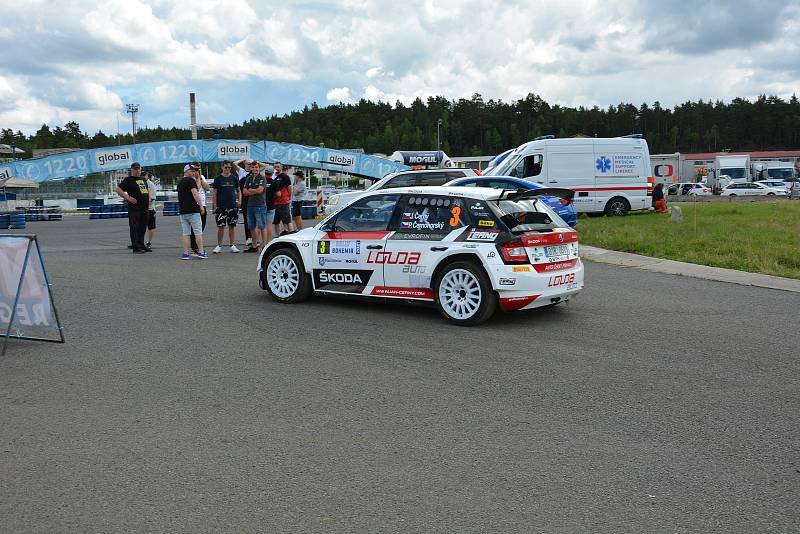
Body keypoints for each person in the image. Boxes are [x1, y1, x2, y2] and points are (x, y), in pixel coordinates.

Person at [115, 162, 150, 254]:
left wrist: (149, 199)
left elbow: (146, 191)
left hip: (144, 208)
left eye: (138, 168)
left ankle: (141, 244)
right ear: (132, 170)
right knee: (135, 227)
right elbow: (118, 189)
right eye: (135, 169)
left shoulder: (143, 179)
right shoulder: (128, 180)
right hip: (135, 208)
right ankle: (135, 247)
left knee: (142, 227)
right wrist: (128, 198)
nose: (137, 170)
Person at [177, 164, 207, 259]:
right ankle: (201, 251)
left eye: (194, 171)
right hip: (193, 210)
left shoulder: (180, 182)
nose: (193, 172)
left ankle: (186, 253)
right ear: (187, 171)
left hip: (183, 210)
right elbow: (195, 193)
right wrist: (201, 205)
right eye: (192, 170)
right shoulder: (191, 181)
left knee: (186, 233)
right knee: (198, 232)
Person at [211, 160, 241, 253]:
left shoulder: (234, 178)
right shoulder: (218, 179)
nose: (227, 169)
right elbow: (214, 193)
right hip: (221, 206)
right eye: (225, 167)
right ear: (222, 167)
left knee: (232, 226)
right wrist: (215, 206)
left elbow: (239, 190)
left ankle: (232, 245)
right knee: (221, 226)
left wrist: (239, 201)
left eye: (229, 167)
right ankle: (219, 245)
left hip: (232, 206)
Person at [241, 160, 268, 252]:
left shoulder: (262, 178)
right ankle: (254, 245)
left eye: (256, 167)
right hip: (250, 205)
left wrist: (250, 190)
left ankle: (265, 245)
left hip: (260, 205)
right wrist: (254, 190)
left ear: (259, 168)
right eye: (253, 167)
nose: (255, 169)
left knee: (262, 225)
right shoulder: (248, 178)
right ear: (251, 168)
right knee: (252, 226)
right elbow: (244, 192)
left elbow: (260, 190)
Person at [189, 162, 210, 254]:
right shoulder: (190, 179)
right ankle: (195, 246)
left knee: (202, 226)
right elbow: (197, 188)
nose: (196, 171)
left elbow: (207, 188)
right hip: (195, 204)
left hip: (203, 204)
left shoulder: (201, 177)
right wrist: (197, 178)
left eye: (198, 169)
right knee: (195, 227)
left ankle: (196, 244)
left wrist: (200, 177)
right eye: (195, 169)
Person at [272, 163, 293, 235]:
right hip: (275, 202)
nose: (276, 168)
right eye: (275, 167)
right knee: (276, 221)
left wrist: (289, 197)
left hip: (284, 202)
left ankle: (292, 235)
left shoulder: (285, 176)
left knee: (287, 221)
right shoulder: (274, 177)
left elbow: (289, 187)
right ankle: (277, 236)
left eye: (278, 167)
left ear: (281, 167)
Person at [144, 171, 157, 249]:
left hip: (150, 209)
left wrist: (143, 204)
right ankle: (138, 241)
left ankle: (149, 242)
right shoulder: (141, 184)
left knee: (151, 227)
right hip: (142, 209)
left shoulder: (151, 185)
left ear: (147, 176)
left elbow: (152, 198)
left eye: (144, 175)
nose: (142, 177)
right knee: (140, 226)